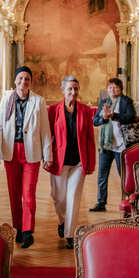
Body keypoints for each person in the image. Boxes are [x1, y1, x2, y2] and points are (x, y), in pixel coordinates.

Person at [0, 66, 52, 248]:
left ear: (30, 82)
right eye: (20, 78)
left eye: (27, 79)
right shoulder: (6, 99)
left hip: (31, 152)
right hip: (11, 151)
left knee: (28, 193)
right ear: (15, 81)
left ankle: (27, 231)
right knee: (14, 193)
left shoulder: (38, 101)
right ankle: (18, 227)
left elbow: (45, 131)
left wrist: (48, 155)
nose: (23, 81)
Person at [46, 76, 96, 249]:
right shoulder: (53, 110)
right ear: (63, 90)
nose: (73, 92)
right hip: (59, 161)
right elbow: (47, 137)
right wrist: (46, 157)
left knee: (73, 197)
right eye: (70, 89)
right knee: (58, 198)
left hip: (78, 162)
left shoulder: (85, 110)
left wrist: (90, 163)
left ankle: (69, 233)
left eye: (76, 89)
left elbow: (90, 138)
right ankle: (61, 221)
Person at [89, 77, 137, 212]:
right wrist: (104, 118)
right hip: (106, 145)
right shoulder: (104, 102)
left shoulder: (126, 101)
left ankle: (128, 202)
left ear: (121, 89)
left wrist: (114, 115)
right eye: (110, 87)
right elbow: (95, 121)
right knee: (102, 175)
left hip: (121, 145)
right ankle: (101, 202)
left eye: (115, 87)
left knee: (124, 175)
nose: (112, 90)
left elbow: (131, 117)